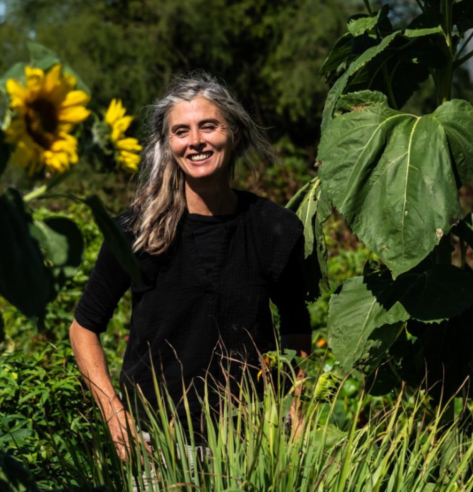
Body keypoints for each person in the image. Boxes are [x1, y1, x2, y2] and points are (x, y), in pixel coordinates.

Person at [69, 73, 318, 460]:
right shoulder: (137, 230)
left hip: (251, 440)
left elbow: (296, 327)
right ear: (168, 146)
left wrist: (299, 412)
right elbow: (83, 327)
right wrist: (115, 414)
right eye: (181, 131)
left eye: (208, 126)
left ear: (234, 134)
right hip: (155, 444)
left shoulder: (275, 228)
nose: (196, 141)